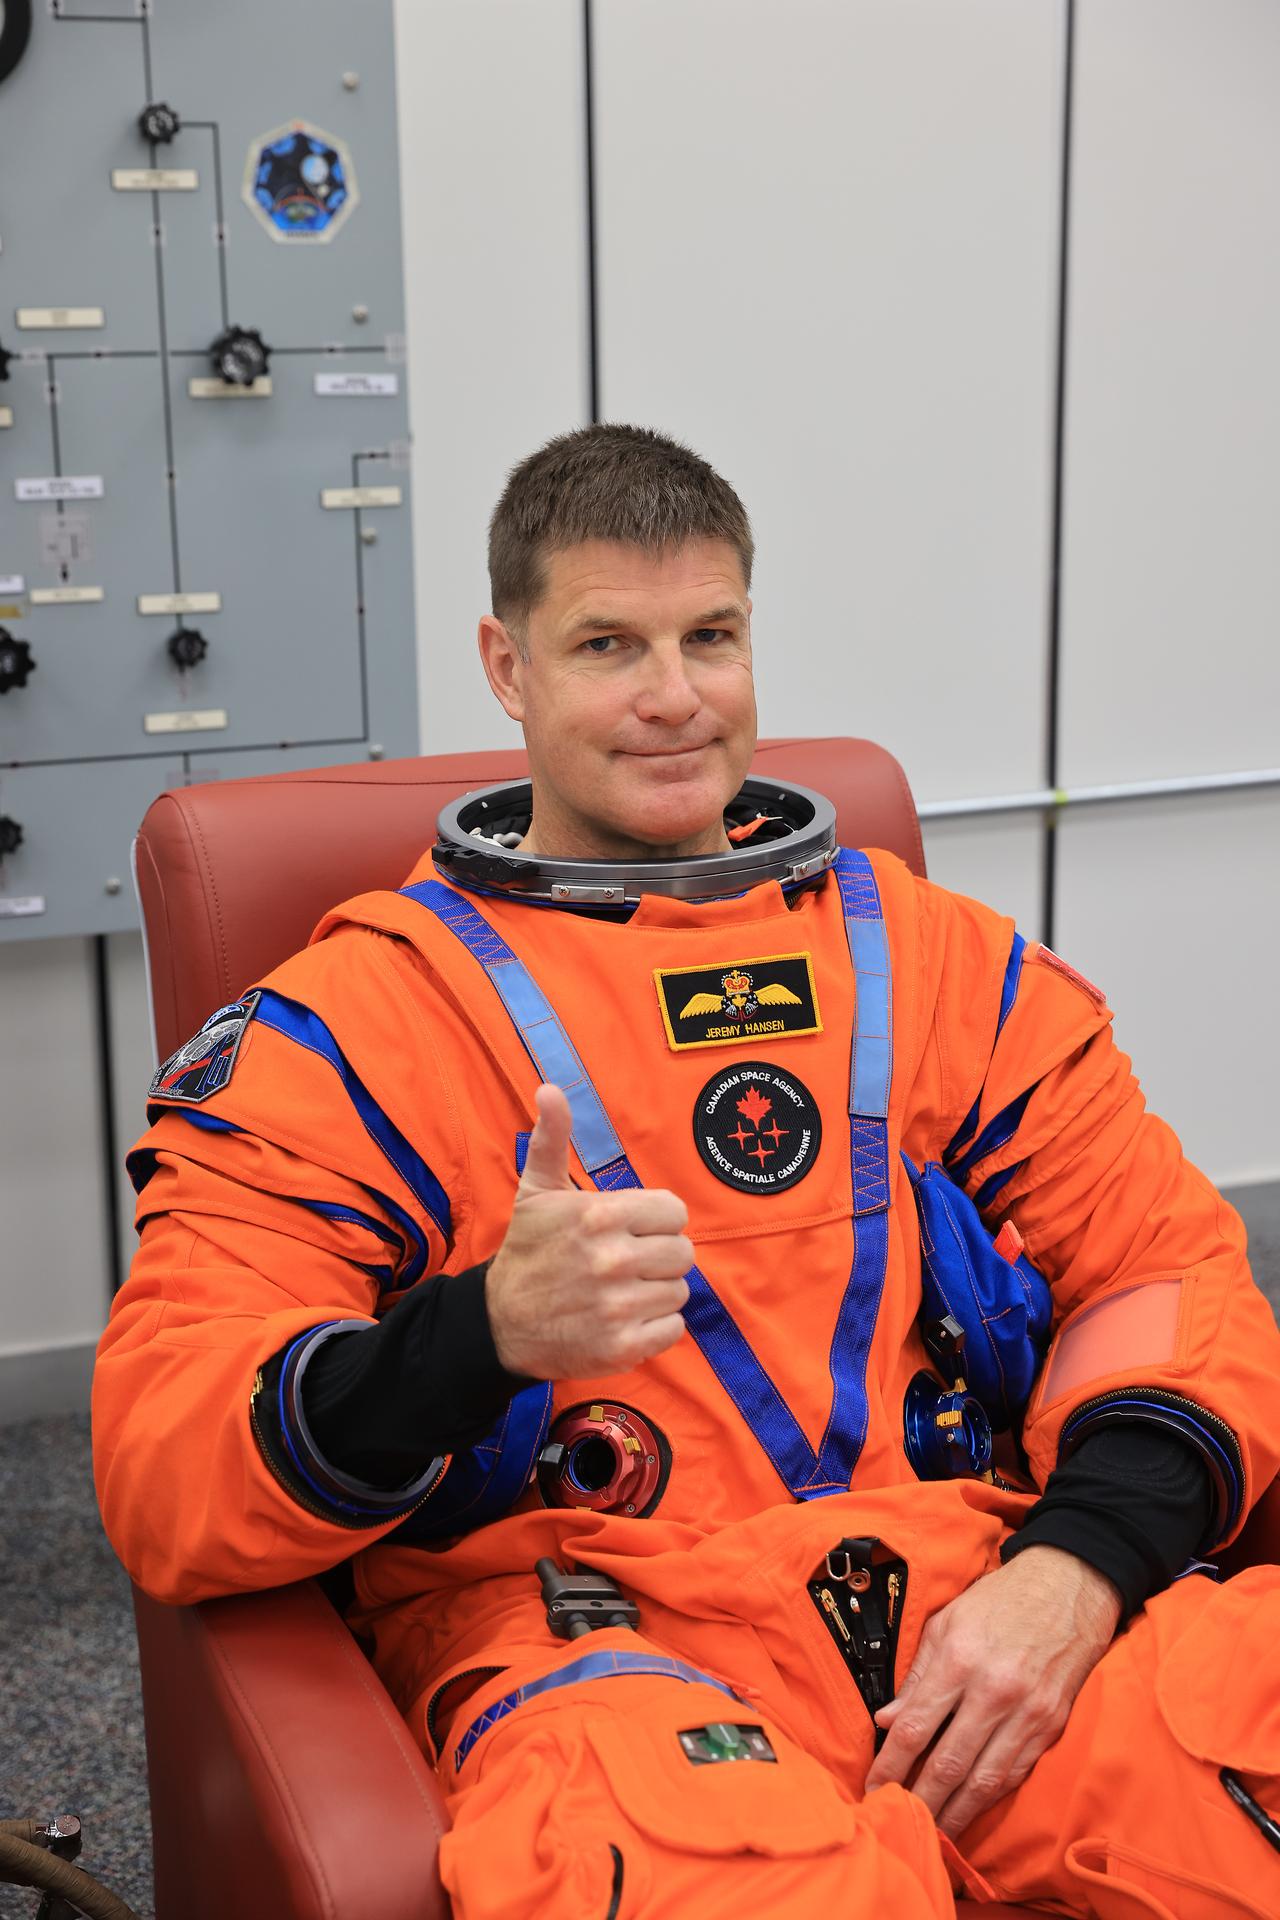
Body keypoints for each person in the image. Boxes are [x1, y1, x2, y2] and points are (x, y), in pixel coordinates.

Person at [95, 425, 1280, 1919]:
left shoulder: (938, 967)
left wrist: (1077, 1571)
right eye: (607, 644)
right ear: (506, 667)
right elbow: (167, 1454)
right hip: (601, 1643)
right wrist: (476, 1335)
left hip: (979, 1604)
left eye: (709, 635)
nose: (674, 698)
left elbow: (1168, 1274)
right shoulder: (355, 1027)